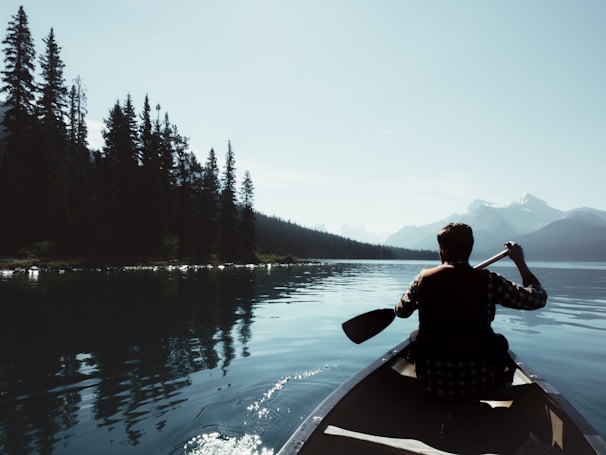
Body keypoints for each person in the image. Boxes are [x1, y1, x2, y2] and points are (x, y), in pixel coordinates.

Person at [395, 222, 547, 400]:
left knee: (415, 336)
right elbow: (538, 299)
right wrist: (520, 262)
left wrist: (422, 299)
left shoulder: (422, 280)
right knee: (500, 342)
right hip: (480, 382)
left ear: (442, 249)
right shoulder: (490, 281)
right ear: (470, 248)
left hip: (431, 381)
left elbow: (401, 312)